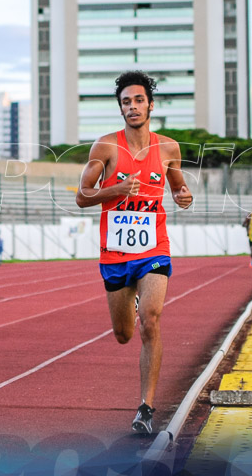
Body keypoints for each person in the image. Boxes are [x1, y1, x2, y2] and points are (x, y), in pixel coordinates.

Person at [75, 70, 193, 435]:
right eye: (126, 101)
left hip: (154, 247)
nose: (132, 107)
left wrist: (183, 196)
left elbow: (178, 187)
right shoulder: (106, 147)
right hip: (115, 252)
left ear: (150, 105)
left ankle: (146, 407)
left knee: (152, 319)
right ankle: (134, 302)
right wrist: (118, 190)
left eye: (138, 100)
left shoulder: (168, 148)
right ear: (121, 108)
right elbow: (82, 197)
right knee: (124, 334)